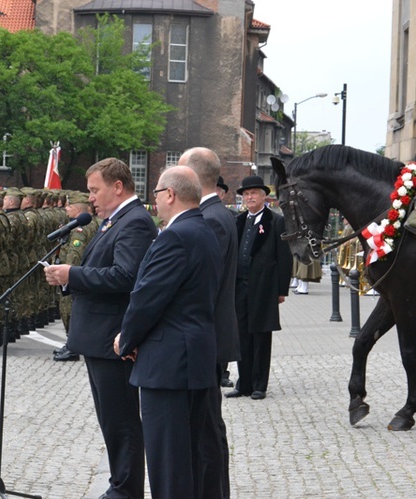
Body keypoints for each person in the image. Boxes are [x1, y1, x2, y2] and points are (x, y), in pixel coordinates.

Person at [44, 158, 156, 499]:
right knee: (111, 420)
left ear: (117, 187)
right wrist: (68, 279)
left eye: (95, 190)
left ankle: (125, 489)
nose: (91, 198)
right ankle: (120, 483)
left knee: (121, 421)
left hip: (112, 338)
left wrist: (71, 275)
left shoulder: (134, 222)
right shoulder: (114, 221)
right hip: (98, 338)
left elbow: (126, 275)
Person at [113, 166, 221, 499]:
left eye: (157, 194)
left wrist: (126, 340)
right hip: (192, 359)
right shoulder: (205, 230)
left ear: (170, 194)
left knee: (168, 465)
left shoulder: (176, 235)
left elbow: (147, 297)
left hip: (169, 365)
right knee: (187, 459)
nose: (154, 201)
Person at [178, 147, 240, 498]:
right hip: (210, 334)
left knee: (207, 431)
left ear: (193, 176)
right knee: (206, 427)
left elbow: (202, 285)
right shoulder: (214, 213)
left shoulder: (212, 218)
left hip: (207, 337)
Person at [226, 176, 292, 401]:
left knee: (261, 337)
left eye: (254, 193)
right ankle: (243, 383)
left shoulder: (275, 221)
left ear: (264, 196)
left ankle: (259, 384)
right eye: (245, 194)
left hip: (264, 288)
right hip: (240, 286)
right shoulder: (239, 220)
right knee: (242, 336)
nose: (249, 197)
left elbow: (284, 256)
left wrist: (282, 289)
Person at [54, 191, 96, 362]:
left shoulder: (79, 228)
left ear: (78, 209)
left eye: (69, 206)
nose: (66, 208)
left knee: (68, 310)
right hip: (86, 275)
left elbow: (74, 254)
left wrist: (67, 274)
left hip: (74, 276)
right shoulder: (94, 223)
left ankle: (72, 346)